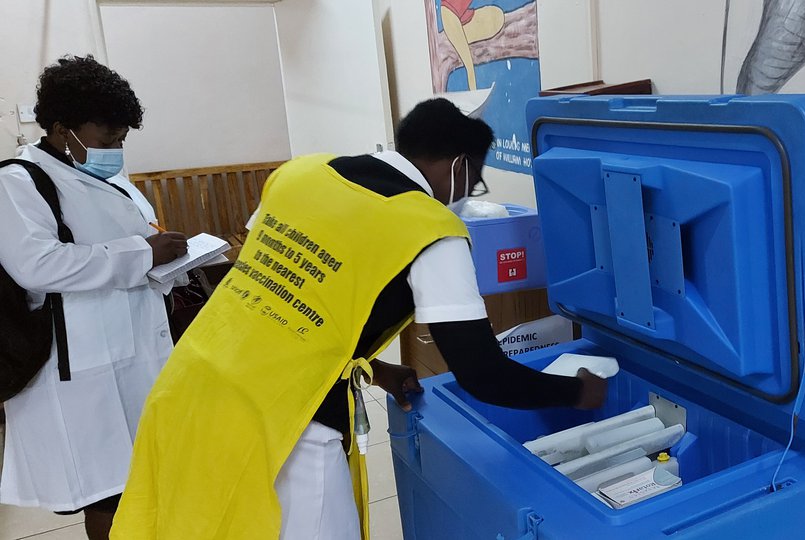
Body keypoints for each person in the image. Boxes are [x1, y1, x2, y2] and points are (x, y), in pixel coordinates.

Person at [112, 98, 607, 540]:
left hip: (194, 380)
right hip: (286, 419)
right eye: (473, 178)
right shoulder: (432, 230)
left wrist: (373, 368)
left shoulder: (301, 173)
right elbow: (484, 374)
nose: (467, 191)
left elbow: (287, 295)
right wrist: (574, 391)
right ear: (458, 165)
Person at [0, 56, 188, 540]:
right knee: (109, 488)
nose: (116, 152)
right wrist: (140, 254)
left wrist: (167, 263)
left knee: (142, 475)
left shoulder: (107, 179)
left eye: (122, 141)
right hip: (79, 365)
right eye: (108, 141)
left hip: (136, 348)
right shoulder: (19, 181)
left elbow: (136, 246)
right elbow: (37, 265)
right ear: (63, 130)